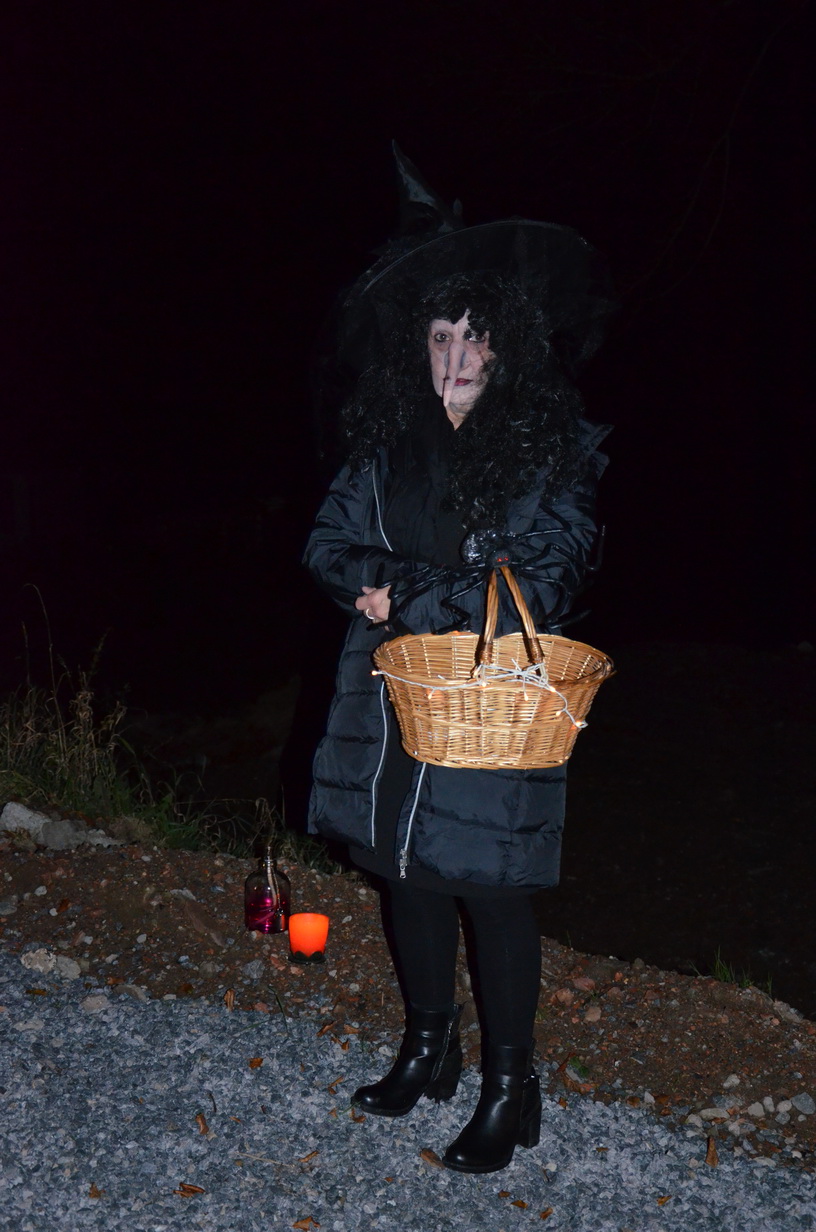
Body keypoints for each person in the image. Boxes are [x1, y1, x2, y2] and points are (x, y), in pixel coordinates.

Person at [304, 150, 612, 1174]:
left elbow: (543, 583)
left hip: (495, 701)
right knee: (405, 871)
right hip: (388, 702)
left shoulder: (552, 452)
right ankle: (428, 1046)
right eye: (441, 336)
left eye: (476, 338)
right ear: (418, 345)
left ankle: (509, 1086)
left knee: (491, 886)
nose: (456, 358)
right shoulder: (387, 446)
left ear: (507, 345)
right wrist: (373, 577)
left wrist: (402, 594)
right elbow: (327, 544)